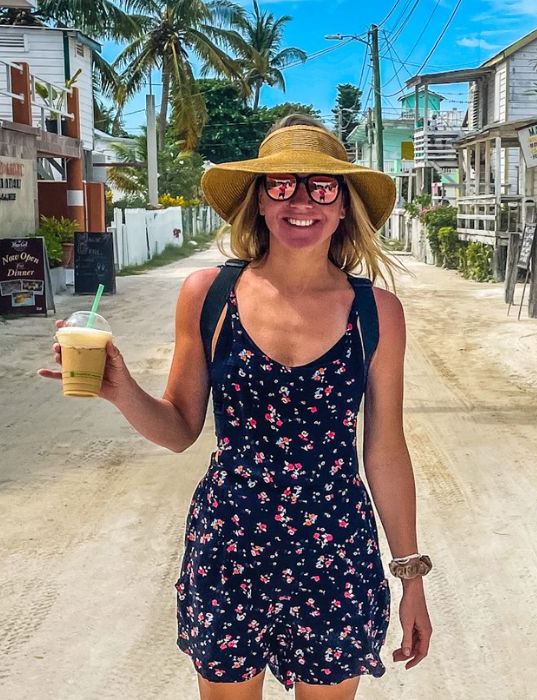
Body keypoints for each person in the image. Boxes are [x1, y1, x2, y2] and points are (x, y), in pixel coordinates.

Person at [39, 114, 432, 699]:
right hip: (229, 542)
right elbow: (178, 429)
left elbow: (384, 449)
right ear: (259, 201)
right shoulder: (208, 295)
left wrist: (411, 577)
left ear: (345, 206)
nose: (301, 201)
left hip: (336, 549)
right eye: (281, 185)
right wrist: (120, 389)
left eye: (322, 187)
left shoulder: (376, 312)